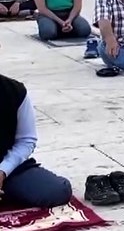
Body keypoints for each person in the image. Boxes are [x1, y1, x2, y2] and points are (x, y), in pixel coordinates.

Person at [0, 74, 74, 208]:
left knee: (56, 191)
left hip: (6, 166)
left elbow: (26, 140)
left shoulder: (15, 91)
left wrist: (3, 170)